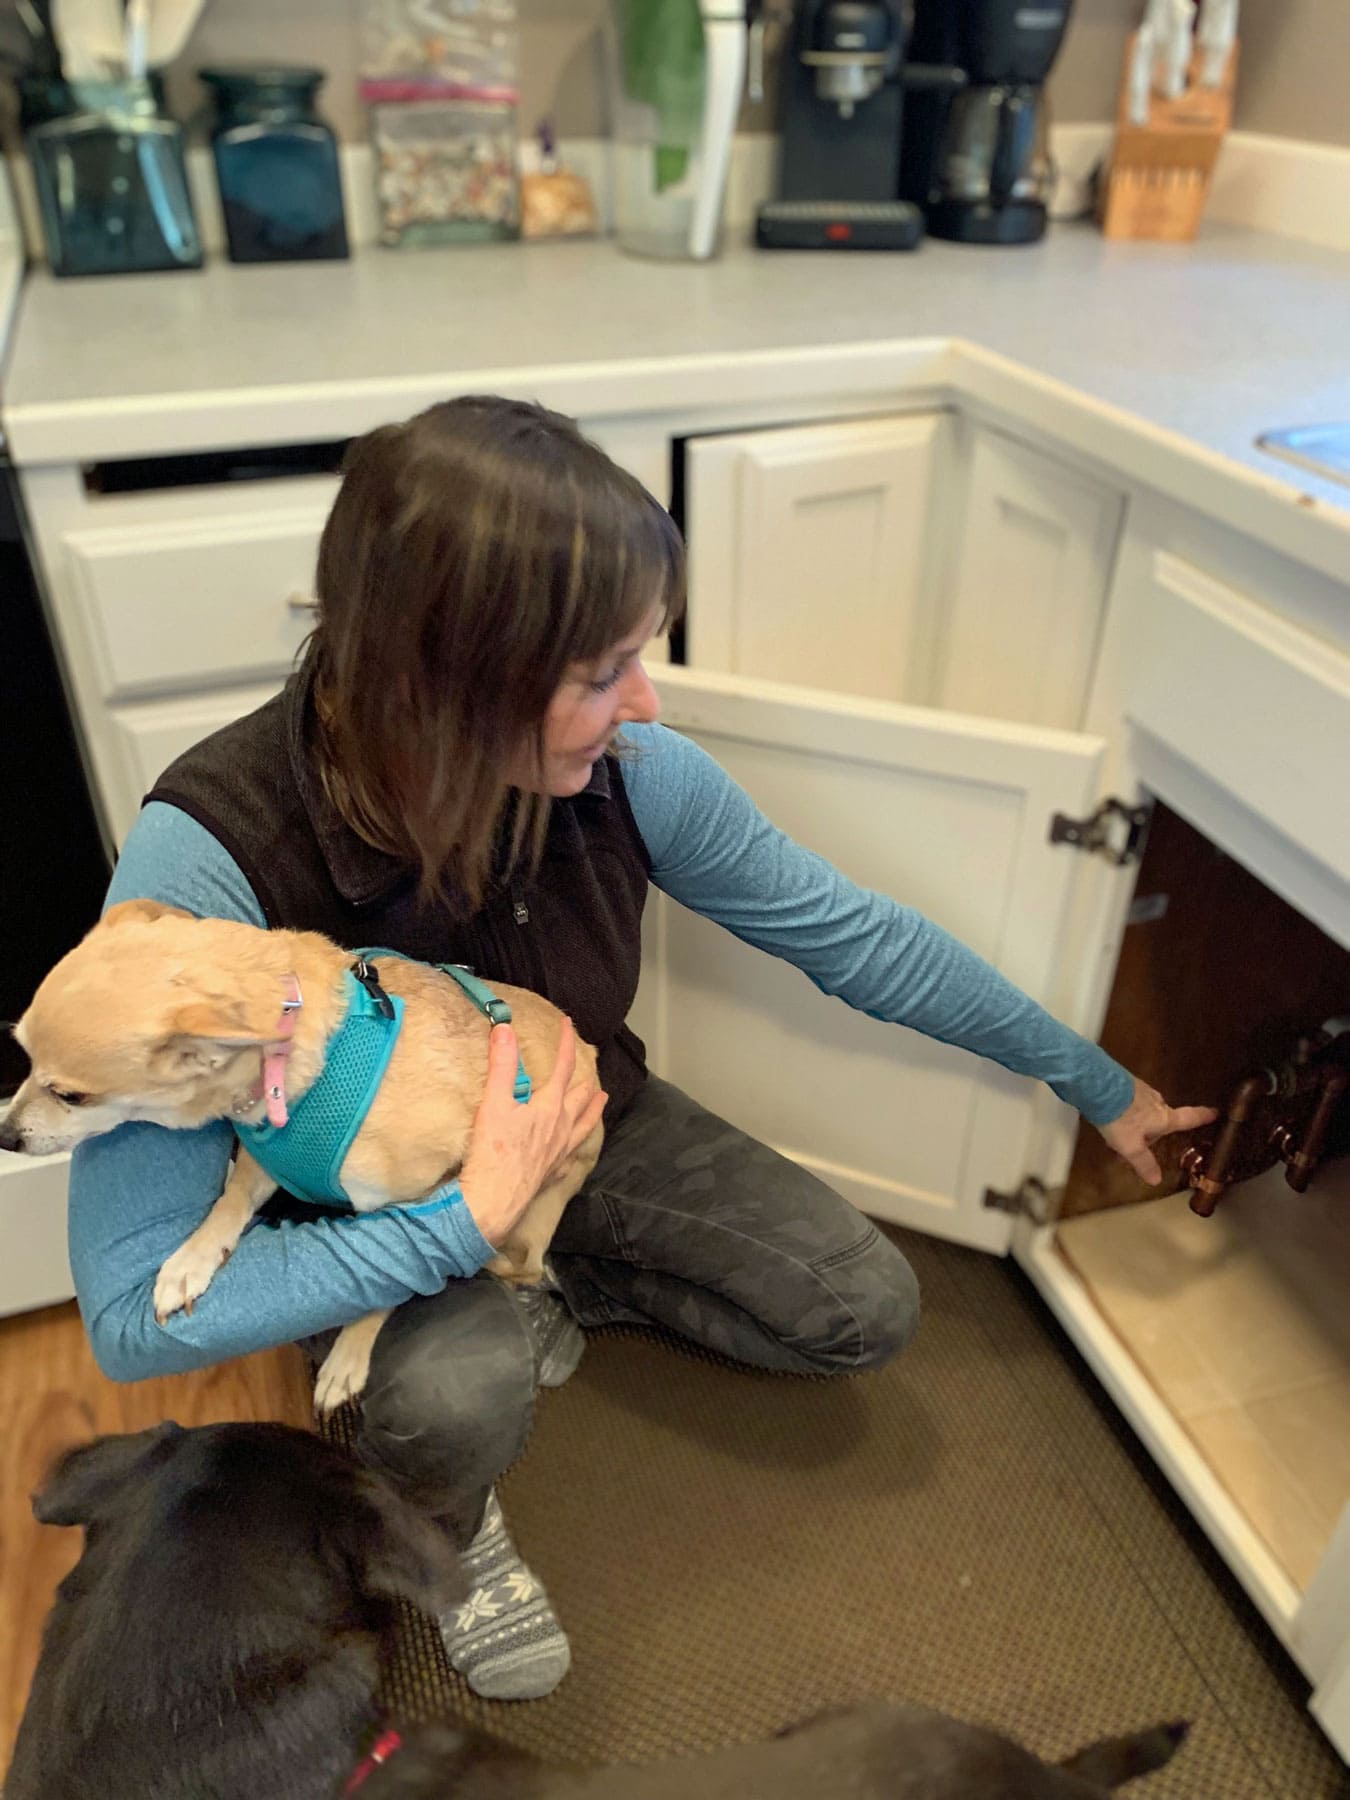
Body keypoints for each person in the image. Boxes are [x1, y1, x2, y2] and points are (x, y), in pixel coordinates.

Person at [69, 396, 1213, 1703]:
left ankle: (549, 1280)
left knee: (861, 1309)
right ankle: (430, 1517)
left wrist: (1098, 1082)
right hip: (363, 1200)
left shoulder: (632, 775)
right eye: (600, 670)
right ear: (443, 685)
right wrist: (461, 1224)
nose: (646, 700)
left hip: (579, 1124)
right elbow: (126, 1317)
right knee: (450, 1406)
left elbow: (859, 941)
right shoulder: (209, 854)